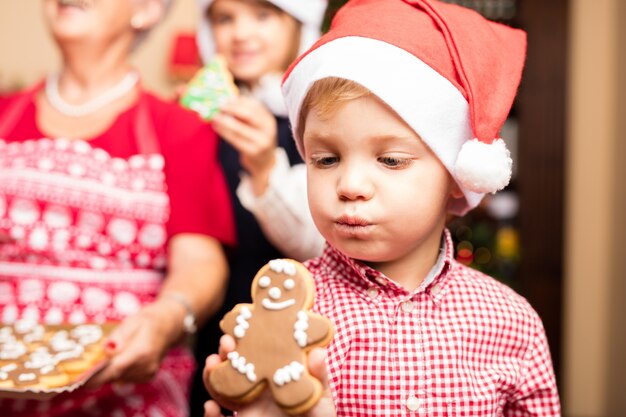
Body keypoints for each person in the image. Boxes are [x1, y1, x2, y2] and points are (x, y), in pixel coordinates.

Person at [203, 0, 561, 415]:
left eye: (390, 160)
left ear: (456, 177)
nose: (350, 185)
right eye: (326, 159)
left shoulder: (510, 321)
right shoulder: (283, 318)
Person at [0, 0, 235, 416]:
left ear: (146, 9)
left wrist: (166, 319)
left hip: (127, 398)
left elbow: (201, 264)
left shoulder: (178, 128)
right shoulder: (5, 113)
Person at [189, 1, 326, 414]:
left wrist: (265, 165)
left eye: (262, 15)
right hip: (219, 317)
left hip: (294, 323)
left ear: (299, 27)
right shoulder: (201, 118)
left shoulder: (318, 116)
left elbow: (316, 243)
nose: (241, 34)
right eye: (224, 18)